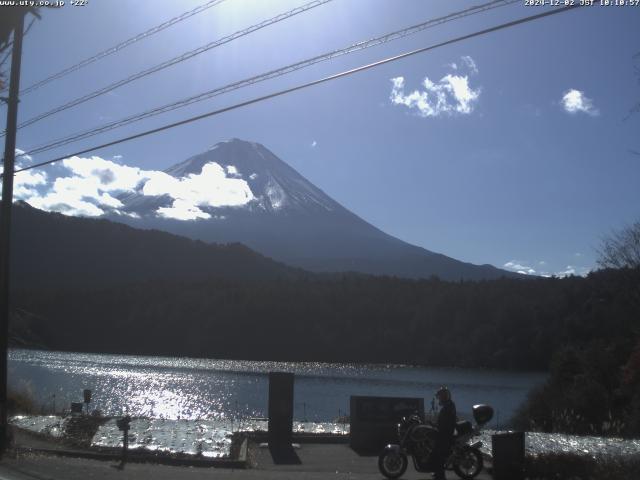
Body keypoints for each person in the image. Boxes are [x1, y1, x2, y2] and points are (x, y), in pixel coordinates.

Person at [429, 386, 457, 480]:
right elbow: (443, 422)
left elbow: (444, 424)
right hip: (445, 433)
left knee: (436, 454)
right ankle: (438, 473)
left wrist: (435, 427)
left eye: (440, 397)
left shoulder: (447, 408)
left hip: (445, 436)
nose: (439, 399)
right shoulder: (449, 405)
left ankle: (439, 475)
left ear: (444, 397)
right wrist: (434, 425)